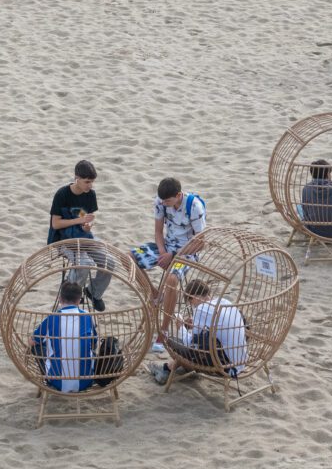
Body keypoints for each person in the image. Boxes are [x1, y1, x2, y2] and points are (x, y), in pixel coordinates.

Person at [130, 177, 206, 352]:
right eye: (162, 201)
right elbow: (158, 232)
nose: (164, 204)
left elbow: (201, 242)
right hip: (166, 247)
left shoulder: (194, 206)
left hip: (187, 252)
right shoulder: (160, 201)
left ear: (178, 195)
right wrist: (163, 252)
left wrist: (172, 255)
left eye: (168, 201)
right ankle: (154, 294)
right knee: (129, 258)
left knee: (172, 280)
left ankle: (163, 331)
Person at [149, 279, 247, 385]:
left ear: (193, 297)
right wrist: (194, 325)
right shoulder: (224, 302)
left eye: (191, 302)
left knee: (171, 340)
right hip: (241, 362)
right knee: (202, 344)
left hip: (224, 367)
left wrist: (181, 327)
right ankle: (168, 368)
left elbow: (191, 344)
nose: (192, 306)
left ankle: (167, 369)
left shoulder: (201, 309)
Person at [48, 160, 114, 311]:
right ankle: (69, 299)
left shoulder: (90, 194)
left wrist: (87, 226)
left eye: (92, 182)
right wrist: (79, 221)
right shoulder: (62, 194)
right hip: (63, 240)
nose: (90, 185)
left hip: (84, 236)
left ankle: (94, 292)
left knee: (109, 262)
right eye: (87, 182)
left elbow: (85, 218)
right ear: (76, 178)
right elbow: (55, 224)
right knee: (84, 264)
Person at [32, 281, 97, 393]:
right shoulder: (87, 316)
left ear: (60, 299)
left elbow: (32, 341)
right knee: (88, 347)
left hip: (56, 382)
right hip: (86, 381)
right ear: (79, 300)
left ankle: (50, 374)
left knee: (37, 345)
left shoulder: (51, 318)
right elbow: (94, 342)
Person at [299, 159, 332, 240]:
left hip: (313, 230)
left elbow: (305, 211)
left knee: (299, 207)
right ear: (327, 174)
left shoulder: (306, 188)